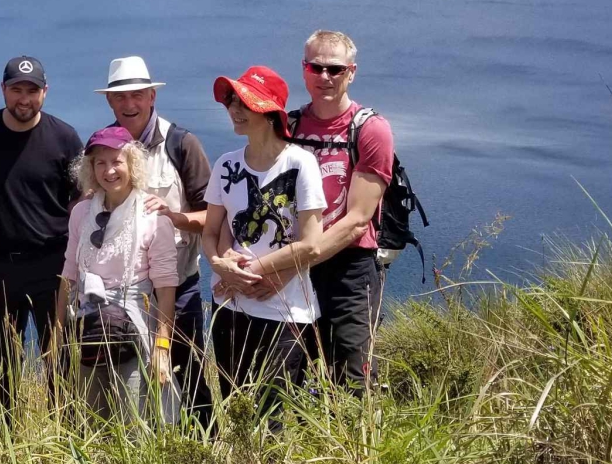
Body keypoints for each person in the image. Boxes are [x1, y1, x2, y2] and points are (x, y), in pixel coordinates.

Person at [201, 65, 325, 429]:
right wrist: (219, 264)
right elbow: (211, 232)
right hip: (229, 303)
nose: (235, 111)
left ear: (271, 112)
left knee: (273, 416)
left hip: (285, 311)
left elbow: (312, 244)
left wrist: (247, 272)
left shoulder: (300, 163)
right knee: (235, 406)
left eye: (246, 103)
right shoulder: (226, 165)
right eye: (231, 101)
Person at [96, 56, 213, 426]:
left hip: (178, 288)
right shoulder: (101, 149)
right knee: (124, 382)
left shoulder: (182, 145)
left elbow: (214, 216)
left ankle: (203, 450)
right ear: (110, 102)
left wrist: (174, 217)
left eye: (137, 95)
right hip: (121, 299)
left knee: (188, 374)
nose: (129, 105)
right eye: (120, 97)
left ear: (151, 96)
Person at [0, 56, 82, 421]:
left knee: (61, 356)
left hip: (54, 266)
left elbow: (82, 196)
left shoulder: (63, 137)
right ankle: (5, 443)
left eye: (32, 91)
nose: (24, 98)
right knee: (1, 362)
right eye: (16, 89)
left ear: (44, 93)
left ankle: (68, 439)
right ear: (3, 90)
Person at [286, 30, 394, 388]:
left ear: (351, 72)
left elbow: (357, 221)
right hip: (297, 264)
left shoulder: (369, 129)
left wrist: (298, 258)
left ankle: (355, 443)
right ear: (304, 70)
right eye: (316, 68)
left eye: (334, 69)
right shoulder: (288, 126)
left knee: (352, 374)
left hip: (349, 270)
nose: (324, 77)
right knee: (288, 372)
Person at [58, 126, 177, 423]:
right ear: (90, 168)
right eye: (100, 162)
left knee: (135, 421)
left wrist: (162, 348)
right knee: (92, 420)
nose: (109, 171)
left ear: (132, 164)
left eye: (117, 161)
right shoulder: (81, 213)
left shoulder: (152, 217)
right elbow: (69, 274)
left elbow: (165, 287)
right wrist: (56, 334)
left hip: (135, 330)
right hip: (90, 329)